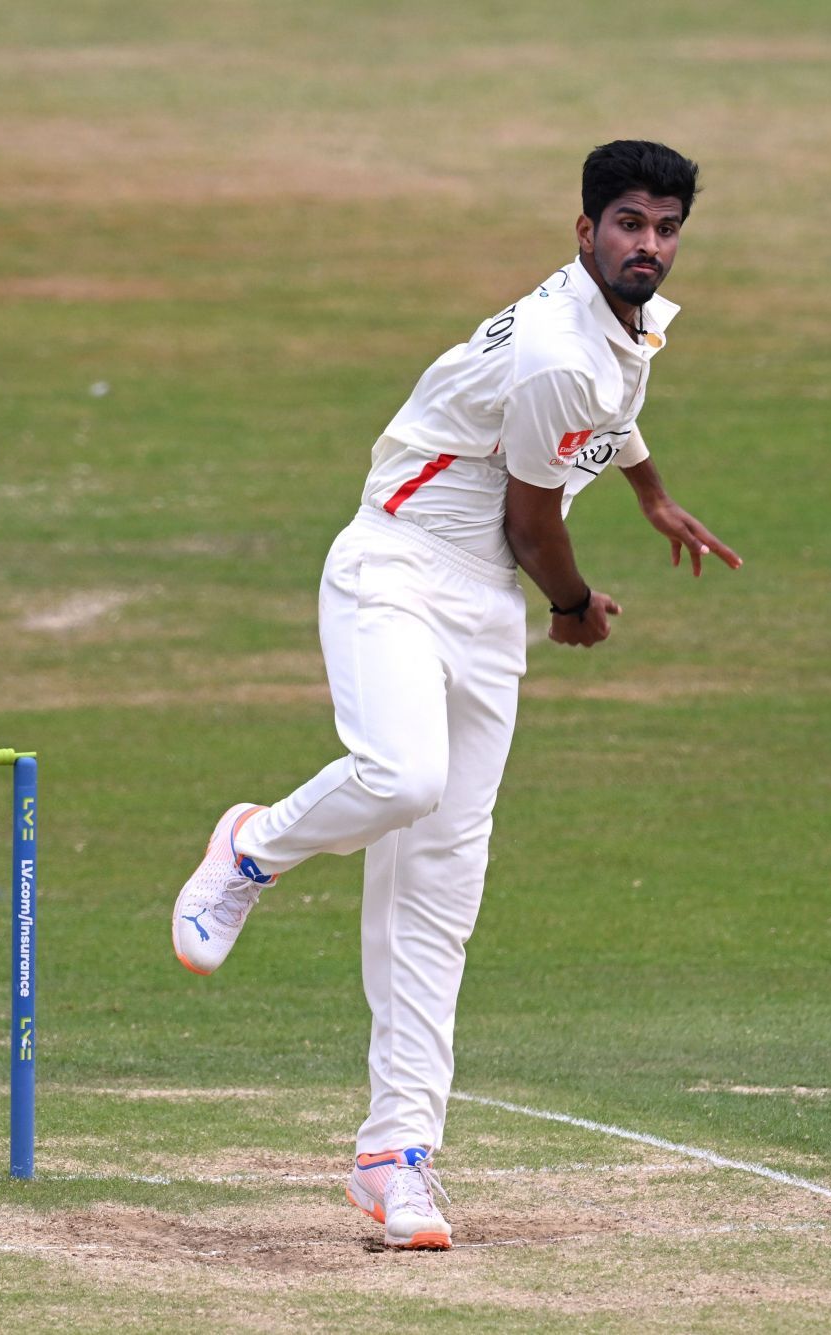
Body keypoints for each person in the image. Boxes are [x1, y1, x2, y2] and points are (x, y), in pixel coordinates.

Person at [171, 140, 740, 1250]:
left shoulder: (624, 322)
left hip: (482, 608)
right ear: (584, 233)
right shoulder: (552, 353)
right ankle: (251, 848)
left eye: (666, 228)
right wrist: (575, 606)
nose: (650, 247)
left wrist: (653, 497)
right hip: (394, 568)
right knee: (401, 774)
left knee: (440, 890)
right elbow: (536, 529)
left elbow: (614, 403)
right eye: (629, 224)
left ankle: (395, 1161)